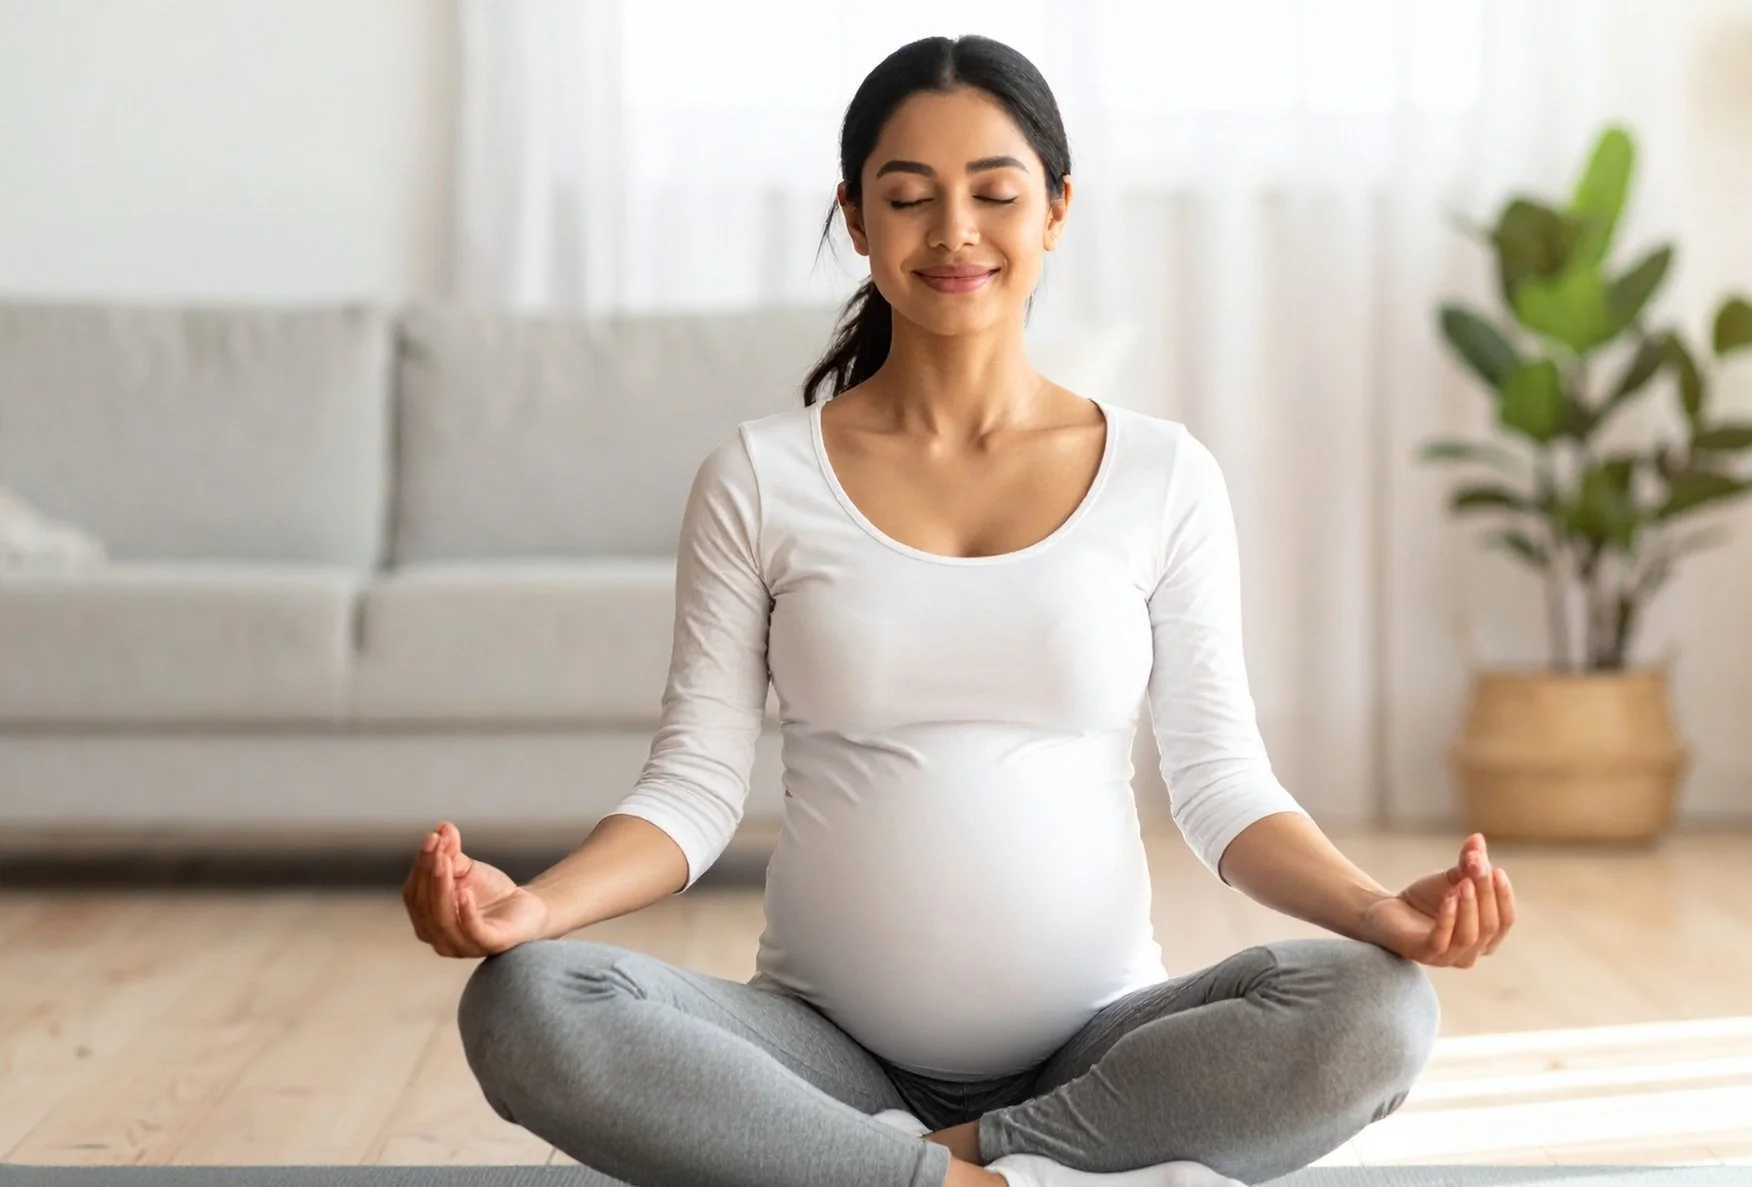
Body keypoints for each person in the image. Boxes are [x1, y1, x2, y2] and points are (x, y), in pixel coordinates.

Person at [402, 33, 1515, 1187]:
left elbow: (1221, 785)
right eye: (908, 197)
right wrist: (530, 907)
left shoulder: (1162, 475)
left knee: (1376, 1009)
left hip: (1100, 1054)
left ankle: (911, 1171)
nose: (954, 233)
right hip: (821, 1053)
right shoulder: (759, 475)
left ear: (1056, 211)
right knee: (530, 999)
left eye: (994, 192)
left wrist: (1379, 908)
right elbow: (692, 787)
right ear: (854, 215)